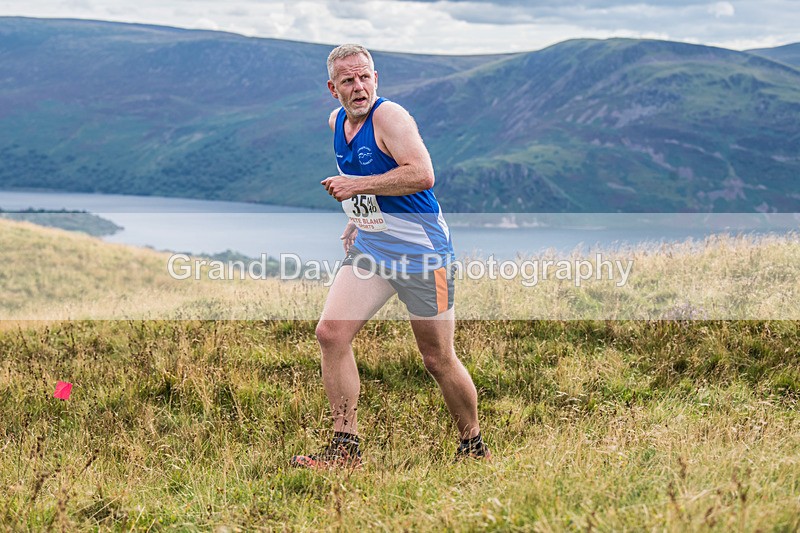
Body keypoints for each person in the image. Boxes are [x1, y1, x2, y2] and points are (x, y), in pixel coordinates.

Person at [290, 44, 489, 469]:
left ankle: (472, 445)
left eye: (364, 77)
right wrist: (359, 217)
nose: (358, 87)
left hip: (423, 256)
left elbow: (421, 173)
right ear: (333, 89)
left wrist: (357, 190)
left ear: (375, 79)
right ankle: (346, 451)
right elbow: (363, 175)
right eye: (348, 80)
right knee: (331, 334)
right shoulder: (336, 122)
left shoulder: (390, 117)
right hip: (374, 249)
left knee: (437, 358)